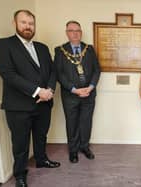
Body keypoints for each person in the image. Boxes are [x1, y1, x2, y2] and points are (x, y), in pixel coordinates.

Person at [0, 9, 60, 187]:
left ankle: (41, 160)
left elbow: (52, 71)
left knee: (41, 136)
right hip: (19, 106)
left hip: (44, 104)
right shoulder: (3, 45)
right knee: (20, 144)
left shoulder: (42, 47)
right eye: (23, 22)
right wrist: (38, 91)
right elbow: (8, 73)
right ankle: (20, 175)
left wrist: (50, 90)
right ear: (14, 23)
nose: (28, 27)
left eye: (31, 23)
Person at [54, 20, 100, 163]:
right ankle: (73, 151)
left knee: (86, 122)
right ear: (67, 33)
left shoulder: (89, 49)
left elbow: (96, 70)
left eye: (78, 30)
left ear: (81, 32)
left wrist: (91, 87)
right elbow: (59, 74)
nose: (75, 33)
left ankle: (84, 147)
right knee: (72, 123)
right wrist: (74, 90)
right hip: (70, 96)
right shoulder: (60, 50)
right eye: (71, 30)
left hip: (89, 93)